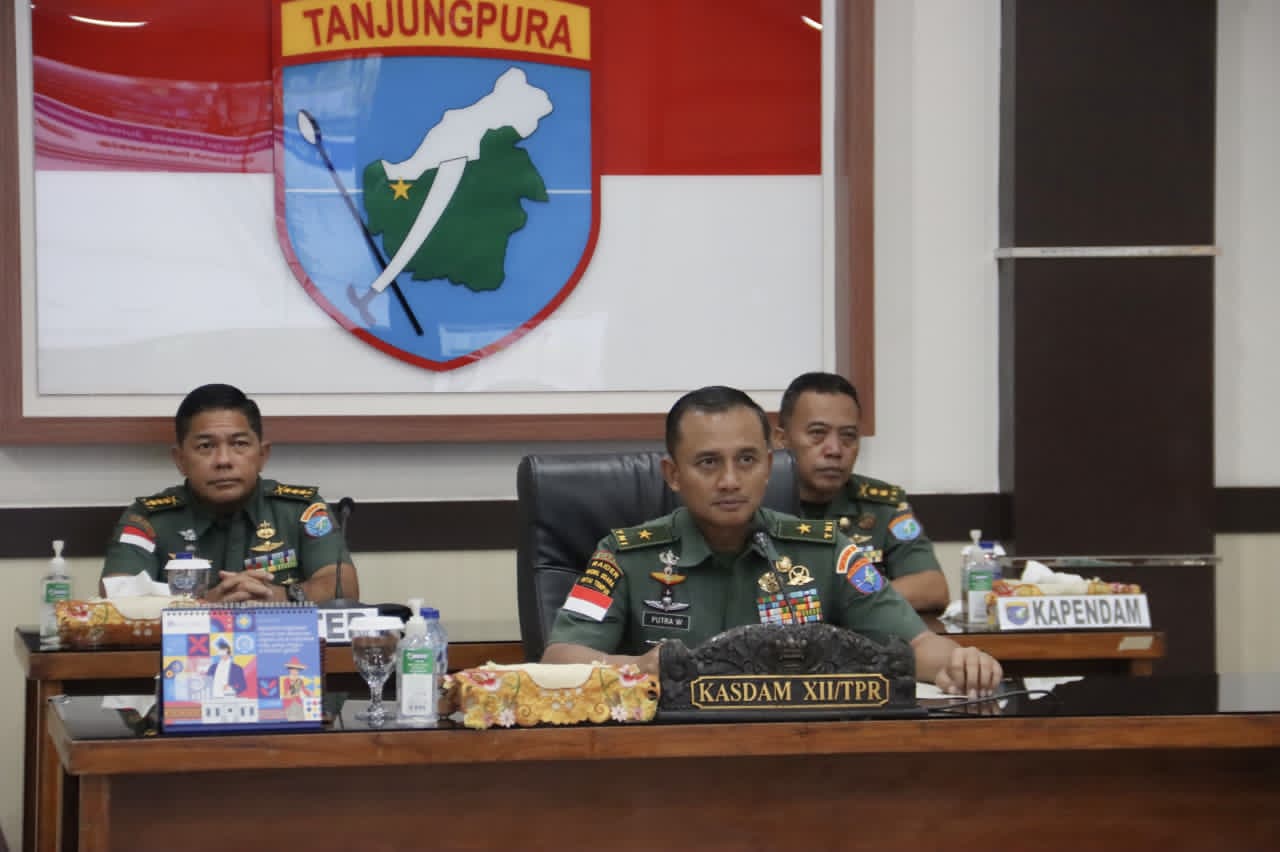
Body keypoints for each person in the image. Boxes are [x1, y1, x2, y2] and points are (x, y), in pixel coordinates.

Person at [541, 386, 1001, 697]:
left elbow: (917, 644)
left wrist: (961, 662)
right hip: (668, 762)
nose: (729, 480)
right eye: (708, 463)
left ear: (769, 464)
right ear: (673, 474)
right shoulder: (624, 555)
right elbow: (560, 659)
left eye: (746, 460)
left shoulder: (826, 551)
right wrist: (638, 668)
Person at [101, 383, 358, 604]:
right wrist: (204, 604)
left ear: (262, 455)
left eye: (239, 444)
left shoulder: (300, 509)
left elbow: (343, 588)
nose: (223, 460)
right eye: (205, 446)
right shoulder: (148, 519)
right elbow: (117, 596)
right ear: (180, 460)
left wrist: (279, 596)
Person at [774, 372, 950, 611]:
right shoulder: (752, 505)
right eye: (817, 433)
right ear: (782, 439)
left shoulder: (882, 507)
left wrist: (840, 602)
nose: (835, 450)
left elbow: (932, 588)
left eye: (848, 436)